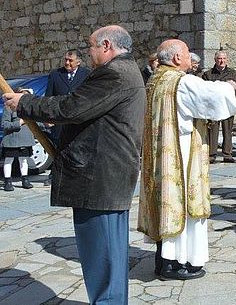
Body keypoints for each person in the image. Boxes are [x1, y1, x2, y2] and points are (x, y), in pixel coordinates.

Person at [3, 25, 145, 304]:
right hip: (108, 178)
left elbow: (71, 107)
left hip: (98, 179)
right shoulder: (128, 71)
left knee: (102, 261)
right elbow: (85, 112)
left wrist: (25, 103)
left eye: (91, 47)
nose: (88, 54)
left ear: (106, 46)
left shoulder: (113, 74)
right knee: (111, 261)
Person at [138, 39, 236, 280]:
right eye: (187, 54)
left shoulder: (155, 80)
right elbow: (212, 97)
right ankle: (175, 262)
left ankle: (163, 260)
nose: (190, 58)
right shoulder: (180, 82)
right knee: (180, 205)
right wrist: (228, 85)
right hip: (179, 153)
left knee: (164, 204)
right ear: (176, 59)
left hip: (159, 154)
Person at [44, 48, 91, 186]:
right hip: (60, 118)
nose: (67, 62)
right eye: (65, 59)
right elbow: (49, 96)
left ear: (78, 62)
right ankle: (55, 173)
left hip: (78, 117)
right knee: (58, 145)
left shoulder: (86, 74)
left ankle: (77, 173)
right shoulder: (55, 74)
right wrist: (48, 117)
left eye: (70, 60)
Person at [202, 50, 236, 164]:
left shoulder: (232, 73)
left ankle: (227, 154)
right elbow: (205, 89)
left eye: (223, 59)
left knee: (228, 130)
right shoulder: (208, 74)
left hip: (227, 106)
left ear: (227, 60)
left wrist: (231, 95)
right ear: (215, 60)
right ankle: (212, 154)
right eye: (219, 59)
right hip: (214, 107)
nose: (221, 61)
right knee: (212, 130)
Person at [2, 88, 36, 191]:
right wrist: (19, 123)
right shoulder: (9, 108)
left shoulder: (31, 109)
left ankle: (25, 180)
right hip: (12, 140)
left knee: (23, 160)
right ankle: (7, 181)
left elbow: (36, 123)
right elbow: (5, 124)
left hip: (25, 140)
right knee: (9, 160)